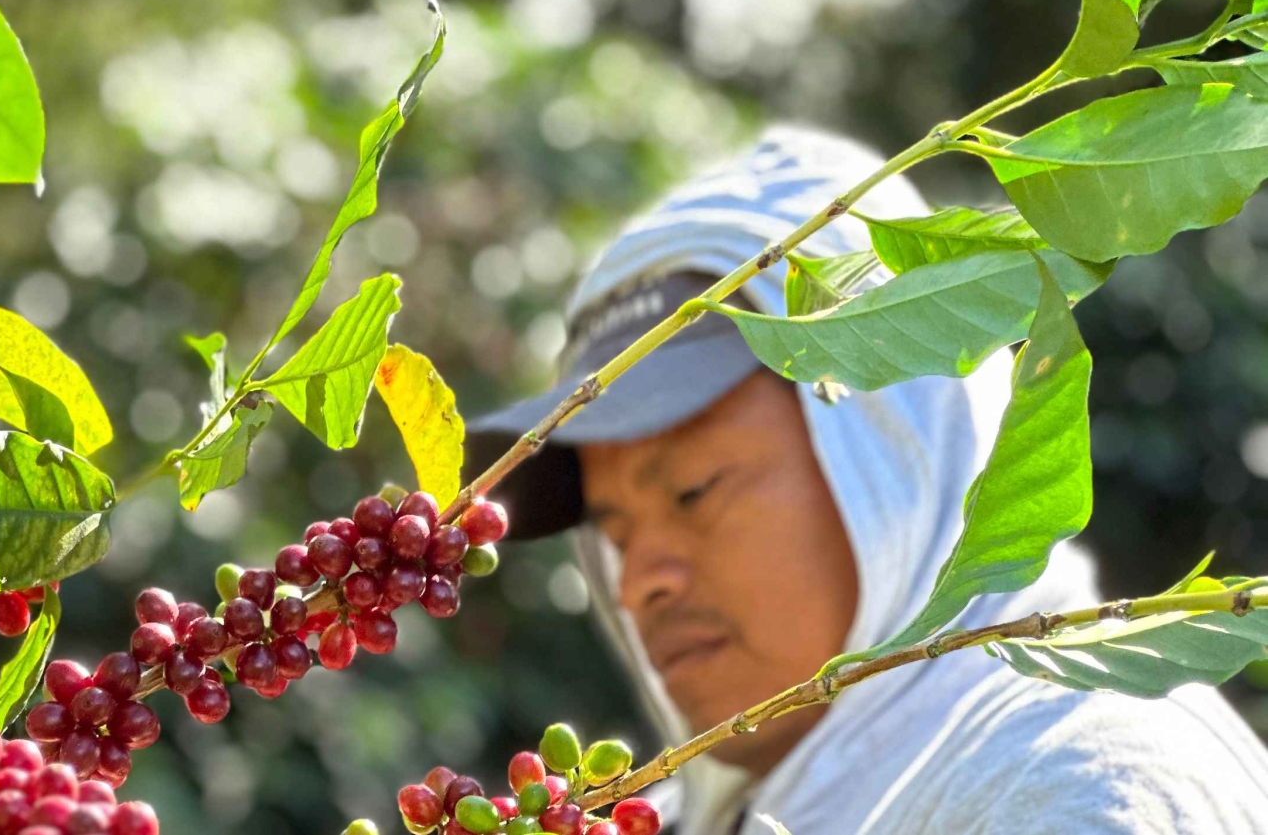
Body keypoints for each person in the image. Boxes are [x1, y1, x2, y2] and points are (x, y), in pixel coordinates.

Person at [464, 125, 1268, 834]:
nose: (641, 583)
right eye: (612, 527)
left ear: (895, 446)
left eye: (693, 490)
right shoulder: (742, 804)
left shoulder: (1071, 786)